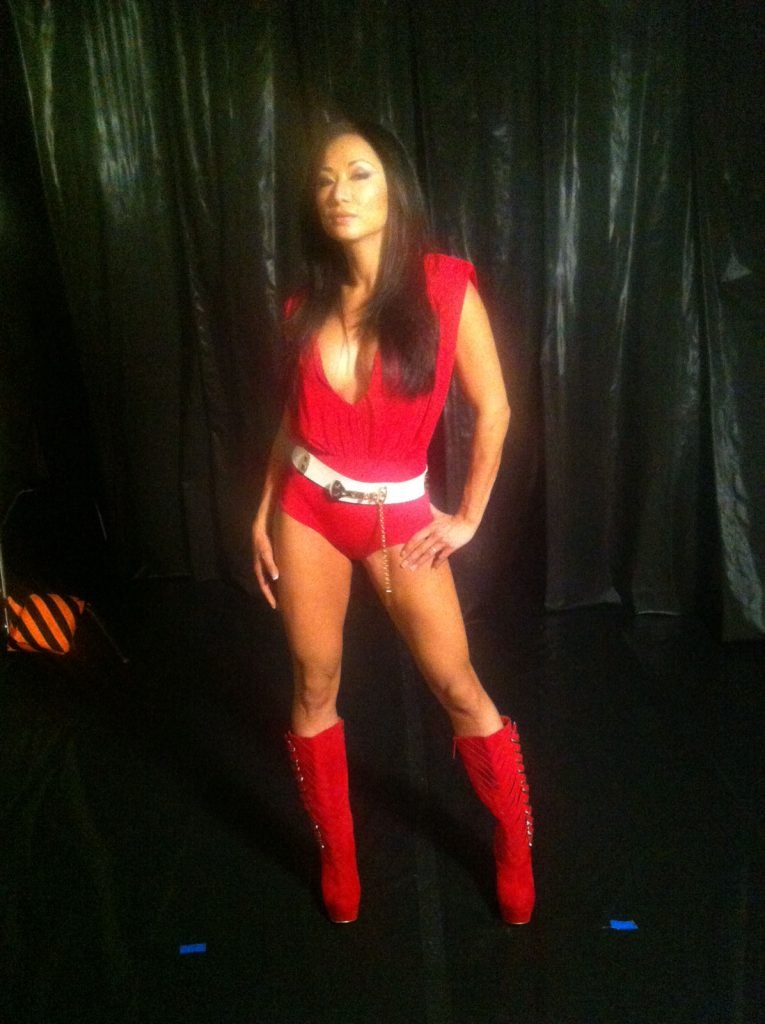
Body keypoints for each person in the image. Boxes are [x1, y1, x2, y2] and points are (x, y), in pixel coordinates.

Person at [252, 119, 534, 925]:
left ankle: (513, 843)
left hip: (397, 518)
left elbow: (494, 408)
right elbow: (292, 422)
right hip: (307, 509)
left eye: (358, 174)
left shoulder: (442, 285)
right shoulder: (303, 303)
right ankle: (338, 858)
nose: (338, 192)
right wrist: (261, 511)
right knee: (312, 682)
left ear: (393, 189)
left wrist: (468, 516)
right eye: (324, 180)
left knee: (456, 685)